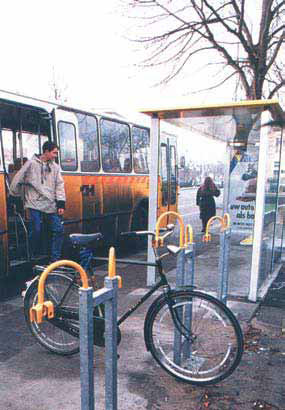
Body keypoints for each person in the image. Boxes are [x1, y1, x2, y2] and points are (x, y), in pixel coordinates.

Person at [10, 141, 66, 262]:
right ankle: (29, 253)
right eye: (54, 153)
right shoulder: (30, 164)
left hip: (50, 203)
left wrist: (61, 203)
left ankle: (54, 259)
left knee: (59, 230)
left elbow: (59, 185)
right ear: (46, 151)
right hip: (34, 202)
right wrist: (14, 196)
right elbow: (18, 178)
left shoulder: (55, 167)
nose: (55, 155)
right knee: (36, 229)